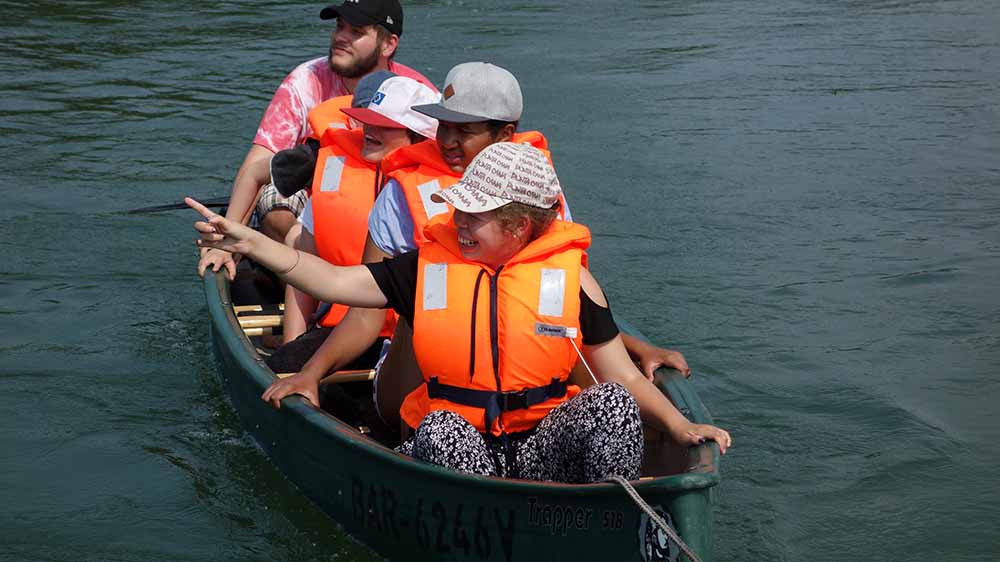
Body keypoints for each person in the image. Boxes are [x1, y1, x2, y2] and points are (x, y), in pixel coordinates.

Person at [185, 142, 731, 484]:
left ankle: (605, 512)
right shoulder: (426, 267)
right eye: (459, 210)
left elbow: (621, 375)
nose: (459, 223)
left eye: (475, 216)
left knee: (610, 404)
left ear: (518, 228)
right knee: (442, 426)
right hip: (461, 457)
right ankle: (481, 523)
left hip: (537, 447)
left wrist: (681, 427)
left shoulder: (574, 281)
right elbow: (329, 278)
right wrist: (252, 244)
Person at [262, 63, 691, 425]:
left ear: (505, 133)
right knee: (423, 311)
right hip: (422, 354)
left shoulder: (536, 189)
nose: (447, 141)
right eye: (442, 126)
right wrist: (312, 373)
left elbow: (574, 296)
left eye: (462, 131)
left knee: (600, 390)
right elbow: (363, 314)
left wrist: (638, 347)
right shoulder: (401, 193)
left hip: (524, 349)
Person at [199, 0, 435, 281]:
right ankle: (303, 276)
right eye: (339, 27)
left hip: (383, 197)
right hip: (312, 193)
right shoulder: (306, 81)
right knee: (276, 209)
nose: (340, 38)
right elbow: (259, 162)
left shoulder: (419, 94)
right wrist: (227, 236)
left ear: (388, 45)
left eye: (356, 31)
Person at [267, 76, 439, 375]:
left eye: (384, 125)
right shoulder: (336, 168)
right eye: (367, 121)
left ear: (419, 137)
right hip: (350, 328)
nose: (368, 130)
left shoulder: (443, 195)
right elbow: (303, 266)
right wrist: (292, 342)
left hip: (419, 342)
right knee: (284, 364)